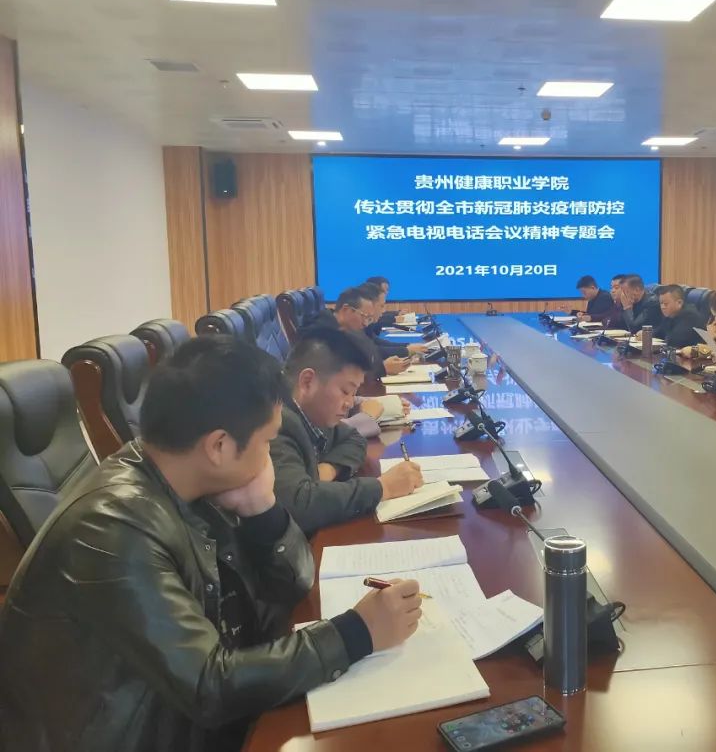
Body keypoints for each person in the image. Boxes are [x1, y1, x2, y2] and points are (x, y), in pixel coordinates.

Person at [0, 336, 422, 752]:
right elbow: (210, 687)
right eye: (266, 443)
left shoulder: (188, 476)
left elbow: (293, 584)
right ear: (219, 446)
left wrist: (264, 509)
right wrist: (356, 633)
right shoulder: (113, 526)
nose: (270, 459)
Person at [271, 328, 423, 534]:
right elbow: (299, 505)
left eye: (354, 393)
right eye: (345, 391)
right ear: (307, 381)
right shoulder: (275, 422)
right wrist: (383, 487)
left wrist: (328, 469)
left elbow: (354, 438)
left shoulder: (313, 412)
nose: (350, 403)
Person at [313, 285, 412, 377]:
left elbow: (367, 353)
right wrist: (383, 369)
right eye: (364, 316)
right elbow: (334, 376)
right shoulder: (322, 332)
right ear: (346, 309)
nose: (366, 324)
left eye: (369, 318)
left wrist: (382, 364)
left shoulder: (345, 329)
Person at [653, 285, 706, 349]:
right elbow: (659, 333)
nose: (662, 307)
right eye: (661, 303)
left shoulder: (690, 316)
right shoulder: (670, 315)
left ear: (679, 303)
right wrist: (646, 335)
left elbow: (674, 341)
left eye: (666, 304)